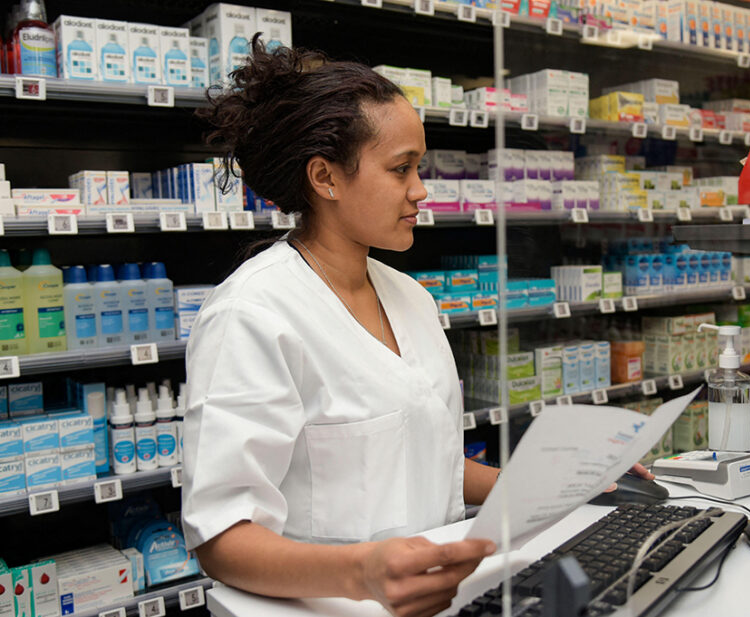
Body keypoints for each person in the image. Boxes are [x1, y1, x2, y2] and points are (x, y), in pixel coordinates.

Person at [181, 41, 652, 617]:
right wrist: (363, 571)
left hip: (438, 595)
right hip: (329, 606)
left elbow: (431, 464)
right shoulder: (253, 314)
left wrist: (564, 483)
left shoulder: (410, 298)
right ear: (325, 177)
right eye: (401, 168)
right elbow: (221, 537)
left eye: (419, 167)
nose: (421, 189)